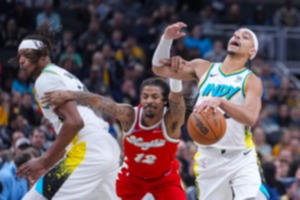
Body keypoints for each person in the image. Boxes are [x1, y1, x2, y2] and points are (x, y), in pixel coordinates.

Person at [152, 22, 270, 200]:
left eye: (245, 37)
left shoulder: (251, 80)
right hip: (209, 158)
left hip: (240, 156)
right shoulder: (203, 68)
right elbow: (159, 68)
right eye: (235, 34)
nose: (237, 37)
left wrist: (222, 102)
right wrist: (166, 40)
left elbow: (251, 117)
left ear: (251, 52)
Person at [15, 24, 120, 199]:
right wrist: (50, 164)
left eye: (27, 55)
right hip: (107, 147)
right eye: (19, 56)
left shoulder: (45, 79)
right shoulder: (63, 74)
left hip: (88, 151)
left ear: (43, 57)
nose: (21, 61)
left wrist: (44, 160)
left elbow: (75, 123)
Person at [41, 77, 189, 200]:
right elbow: (100, 101)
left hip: (164, 179)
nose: (149, 100)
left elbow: (178, 106)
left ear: (164, 101)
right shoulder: (130, 115)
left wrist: (175, 79)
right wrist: (70, 94)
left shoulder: (170, 122)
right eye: (145, 96)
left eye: (155, 97)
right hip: (132, 178)